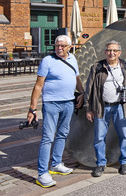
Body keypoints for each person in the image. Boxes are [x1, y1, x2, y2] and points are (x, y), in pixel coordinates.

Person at [27, 35, 84, 188]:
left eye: (62, 46)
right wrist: (32, 108)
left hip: (68, 103)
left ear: (70, 46)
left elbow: (76, 78)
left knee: (63, 134)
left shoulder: (72, 59)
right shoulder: (47, 61)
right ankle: (42, 173)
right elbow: (38, 85)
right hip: (51, 104)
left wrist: (83, 92)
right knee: (47, 138)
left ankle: (56, 164)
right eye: (57, 45)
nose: (59, 48)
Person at [84, 40, 126, 177]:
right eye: (108, 50)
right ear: (105, 52)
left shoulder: (125, 66)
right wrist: (88, 108)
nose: (111, 53)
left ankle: (124, 162)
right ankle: (101, 164)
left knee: (124, 135)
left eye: (114, 50)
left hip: (120, 106)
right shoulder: (97, 67)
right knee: (99, 137)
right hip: (102, 107)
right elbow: (88, 88)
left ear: (119, 52)